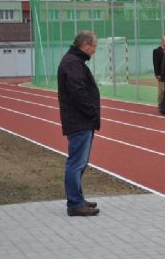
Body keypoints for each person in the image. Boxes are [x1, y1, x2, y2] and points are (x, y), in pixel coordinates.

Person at [57, 30, 101, 216]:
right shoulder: (72, 63)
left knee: (80, 163)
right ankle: (75, 203)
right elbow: (78, 92)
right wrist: (92, 112)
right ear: (85, 45)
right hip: (79, 120)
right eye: (94, 46)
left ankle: (78, 199)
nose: (95, 50)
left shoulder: (75, 62)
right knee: (76, 163)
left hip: (81, 120)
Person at [153, 36, 165, 112]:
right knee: (162, 91)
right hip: (161, 75)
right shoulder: (156, 51)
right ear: (162, 42)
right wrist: (157, 74)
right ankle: (160, 105)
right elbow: (155, 64)